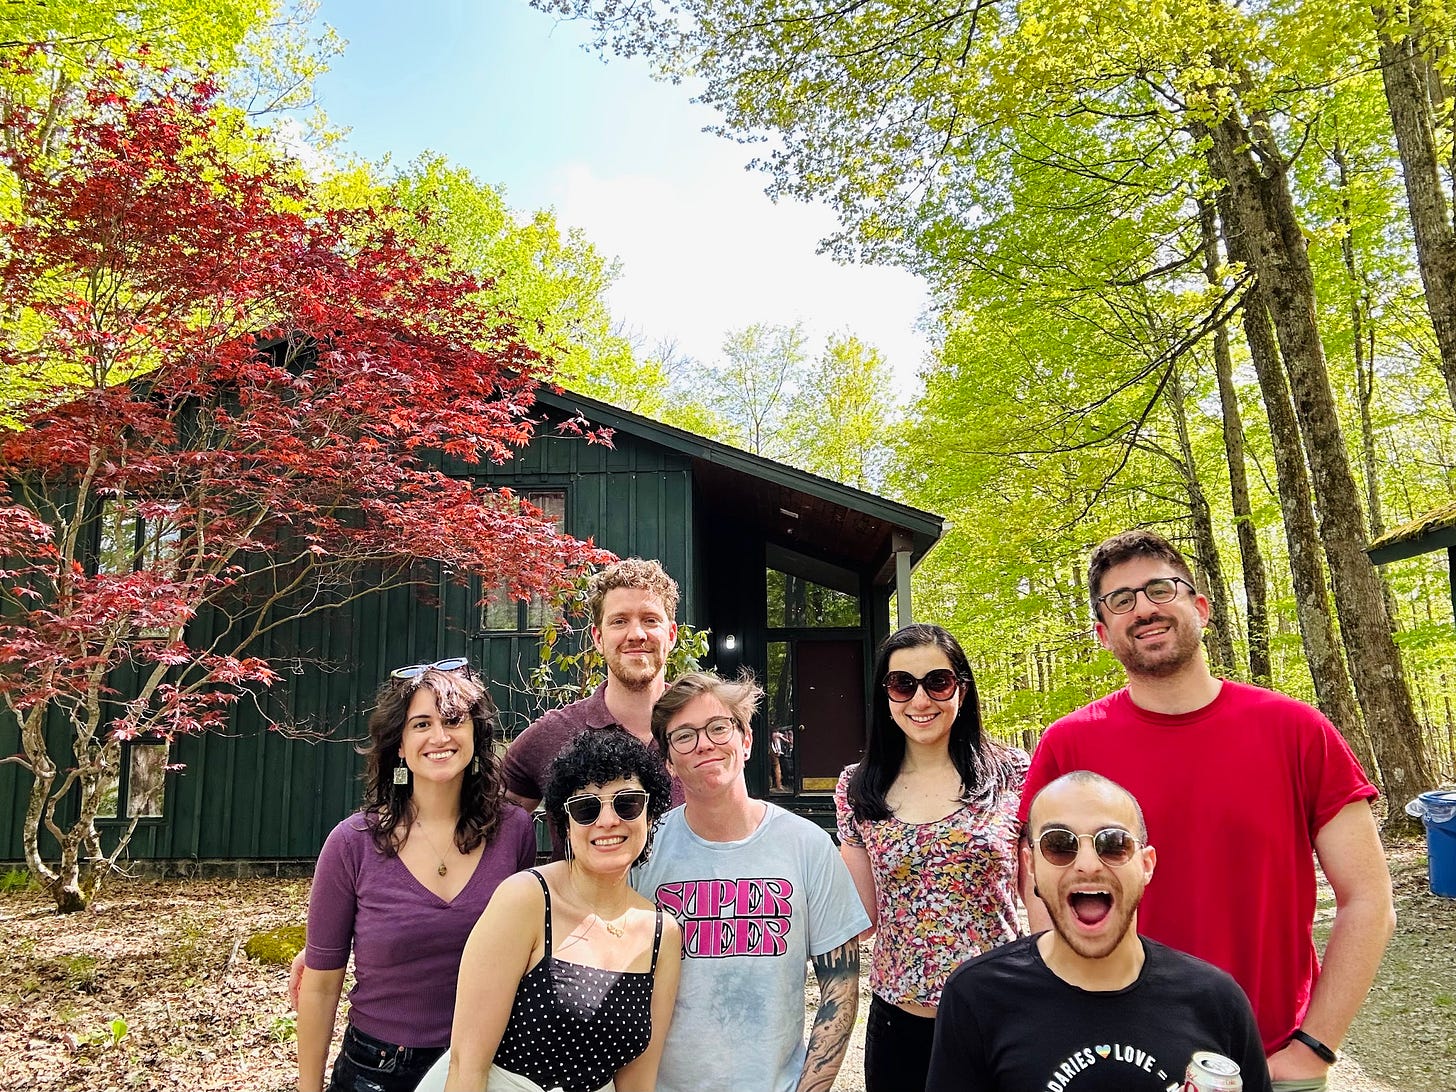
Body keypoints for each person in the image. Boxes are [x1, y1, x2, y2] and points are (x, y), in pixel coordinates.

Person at [1019, 529, 1396, 1091]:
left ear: (1200, 607)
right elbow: (1040, 888)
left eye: (1160, 589)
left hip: (1266, 1055)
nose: (1143, 608)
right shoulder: (1069, 745)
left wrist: (1315, 1046)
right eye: (1121, 601)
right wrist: (1067, 1016)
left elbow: (1368, 899)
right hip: (1111, 1052)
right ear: (1103, 632)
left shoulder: (1296, 731)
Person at [927, 771, 1273, 1092]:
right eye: (1059, 845)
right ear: (1031, 866)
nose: (1088, 864)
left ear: (1146, 865)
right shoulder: (977, 996)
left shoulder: (1217, 1001)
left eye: (1113, 844)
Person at [296, 659, 537, 1092]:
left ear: (475, 735)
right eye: (421, 724)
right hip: (377, 1068)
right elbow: (320, 985)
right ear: (400, 746)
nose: (439, 737)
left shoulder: (514, 831)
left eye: (452, 721)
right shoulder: (351, 844)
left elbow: (531, 953)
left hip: (488, 1063)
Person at [636, 671, 869, 1092]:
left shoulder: (808, 846)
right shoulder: (643, 852)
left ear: (746, 741)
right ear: (668, 761)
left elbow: (841, 983)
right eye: (684, 735)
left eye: (718, 727)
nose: (705, 743)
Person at [420, 730, 681, 1092]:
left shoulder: (662, 933)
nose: (607, 820)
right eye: (587, 808)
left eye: (627, 803)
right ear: (567, 825)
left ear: (649, 815)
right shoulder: (526, 900)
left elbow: (638, 1082)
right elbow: (467, 1067)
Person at [835, 623, 1029, 1092]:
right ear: (885, 695)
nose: (920, 701)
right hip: (900, 1022)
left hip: (1000, 1014)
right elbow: (857, 915)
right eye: (903, 684)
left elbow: (1040, 892)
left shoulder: (1014, 773)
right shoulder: (858, 787)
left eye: (937, 682)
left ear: (962, 688)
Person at [502, 558, 685, 858]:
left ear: (672, 635)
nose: (636, 634)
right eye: (619, 621)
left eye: (651, 620)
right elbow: (490, 822)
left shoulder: (702, 735)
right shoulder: (554, 734)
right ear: (598, 638)